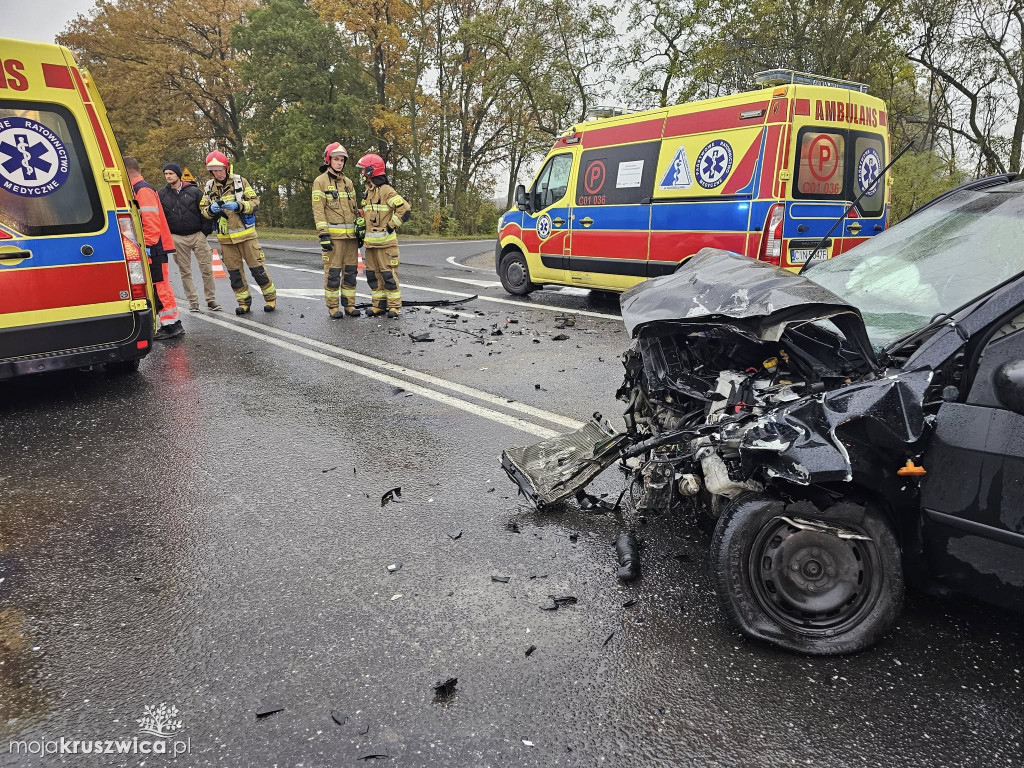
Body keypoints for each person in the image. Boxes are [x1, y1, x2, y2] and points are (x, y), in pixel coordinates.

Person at [199, 151, 277, 314]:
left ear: (226, 168)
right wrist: (210, 210)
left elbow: (255, 202)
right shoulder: (209, 187)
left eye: (220, 169)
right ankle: (244, 303)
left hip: (247, 237)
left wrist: (239, 206)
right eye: (214, 170)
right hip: (226, 240)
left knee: (258, 271)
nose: (217, 173)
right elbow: (203, 211)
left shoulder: (240, 182)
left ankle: (270, 299)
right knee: (235, 274)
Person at [124, 156, 185, 340]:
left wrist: (148, 246)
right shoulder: (141, 188)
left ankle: (170, 326)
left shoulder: (141, 189)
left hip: (154, 246)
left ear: (127, 171)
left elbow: (151, 221)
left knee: (160, 287)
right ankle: (172, 323)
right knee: (161, 285)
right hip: (155, 245)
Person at [159, 163, 221, 312]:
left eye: (171, 173)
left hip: (197, 235)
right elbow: (160, 217)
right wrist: (168, 236)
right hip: (177, 238)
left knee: (206, 269)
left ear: (178, 175)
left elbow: (205, 211)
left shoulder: (194, 191)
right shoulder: (161, 194)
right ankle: (193, 301)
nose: (168, 176)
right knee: (185, 271)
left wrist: (204, 233)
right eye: (166, 174)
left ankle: (211, 299)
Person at [355, 153, 411, 318]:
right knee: (373, 276)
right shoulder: (369, 192)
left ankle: (394, 307)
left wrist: (391, 225)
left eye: (364, 170)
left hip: (386, 246)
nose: (362, 173)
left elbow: (404, 209)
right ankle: (379, 305)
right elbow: (370, 213)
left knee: (389, 276)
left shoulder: (386, 190)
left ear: (371, 171)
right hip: (371, 246)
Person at [311, 143, 360, 318]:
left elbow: (354, 209)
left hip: (351, 238)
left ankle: (349, 305)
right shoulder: (320, 181)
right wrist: (323, 233)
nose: (339, 163)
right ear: (328, 160)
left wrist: (359, 226)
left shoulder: (348, 182)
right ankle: (333, 307)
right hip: (333, 238)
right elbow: (318, 209)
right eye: (336, 159)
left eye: (342, 160)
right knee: (333, 273)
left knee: (350, 272)